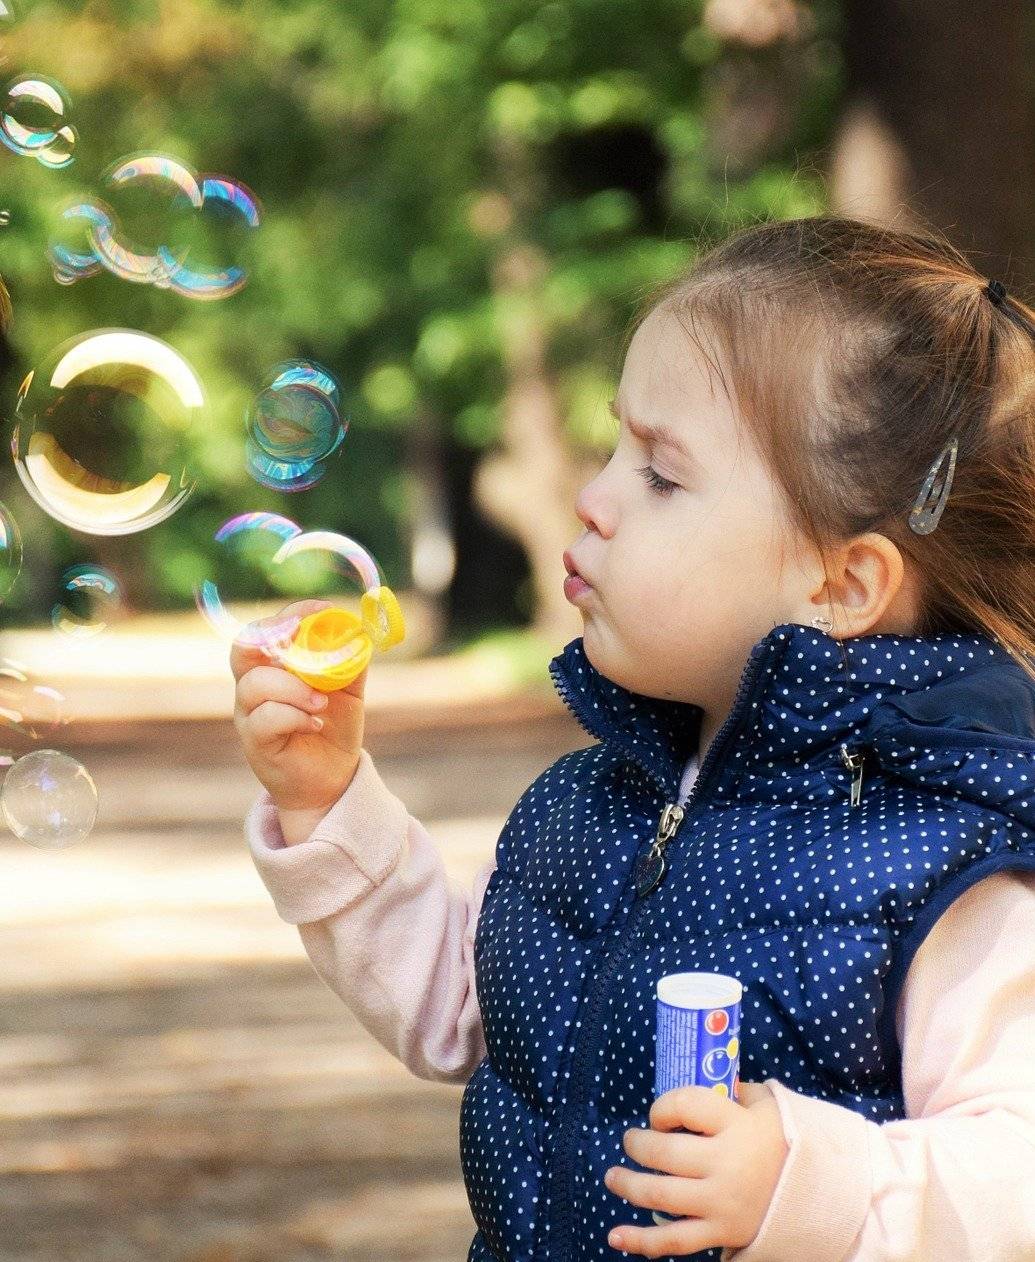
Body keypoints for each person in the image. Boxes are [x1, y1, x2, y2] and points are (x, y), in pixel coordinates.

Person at [233, 216, 1035, 1261]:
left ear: (841, 584)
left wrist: (811, 1179)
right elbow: (463, 1007)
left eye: (659, 474)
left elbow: (1013, 1169)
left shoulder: (940, 860)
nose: (592, 496)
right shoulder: (595, 801)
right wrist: (327, 797)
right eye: (614, 443)